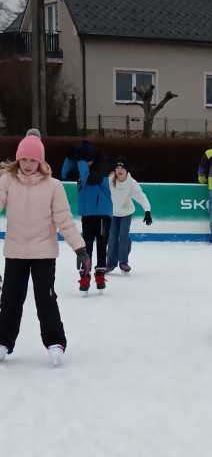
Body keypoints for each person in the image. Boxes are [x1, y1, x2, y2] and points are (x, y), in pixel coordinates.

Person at [0, 135, 90, 366]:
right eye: (24, 159)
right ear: (18, 159)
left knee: (46, 298)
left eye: (33, 160)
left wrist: (80, 248)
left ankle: (55, 342)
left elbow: (64, 220)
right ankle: (3, 341)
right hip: (16, 251)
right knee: (10, 298)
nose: (28, 164)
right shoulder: (7, 182)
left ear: (40, 161)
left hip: (44, 253)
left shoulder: (53, 186)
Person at [62, 143, 113, 290]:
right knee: (86, 245)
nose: (83, 162)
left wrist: (81, 161)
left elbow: (86, 178)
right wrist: (69, 158)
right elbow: (64, 174)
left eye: (84, 159)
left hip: (102, 213)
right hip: (87, 214)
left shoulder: (101, 169)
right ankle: (85, 275)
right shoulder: (82, 167)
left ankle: (100, 274)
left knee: (101, 245)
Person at [106, 156, 152, 273]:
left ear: (127, 170)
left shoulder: (132, 183)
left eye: (122, 167)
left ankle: (123, 262)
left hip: (126, 213)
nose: (119, 170)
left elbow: (141, 196)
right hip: (112, 213)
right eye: (117, 167)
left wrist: (147, 211)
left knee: (123, 236)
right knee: (112, 238)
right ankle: (110, 263)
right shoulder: (109, 181)